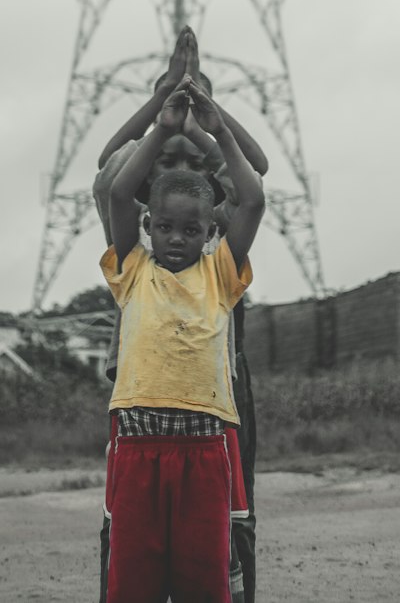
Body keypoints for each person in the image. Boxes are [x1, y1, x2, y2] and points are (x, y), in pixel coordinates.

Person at [93, 29, 266, 601]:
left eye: (191, 228)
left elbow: (254, 180)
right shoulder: (139, 254)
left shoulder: (215, 252)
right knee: (133, 553)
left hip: (215, 405)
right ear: (149, 220)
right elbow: (111, 178)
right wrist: (162, 111)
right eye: (166, 225)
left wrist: (207, 125)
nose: (177, 234)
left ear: (209, 226)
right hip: (143, 414)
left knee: (223, 536)